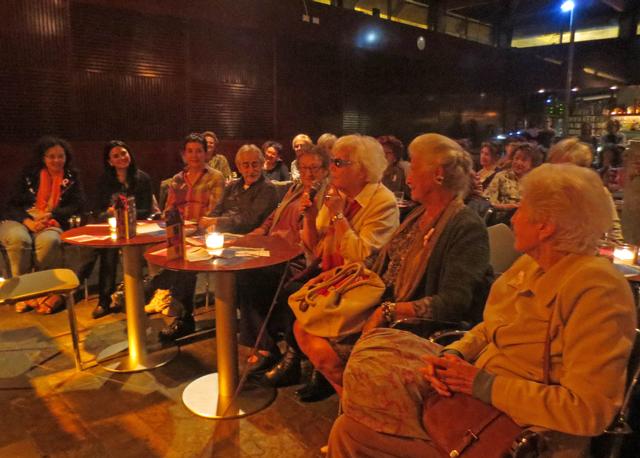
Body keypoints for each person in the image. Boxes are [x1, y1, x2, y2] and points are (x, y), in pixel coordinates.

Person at [328, 163, 636, 457]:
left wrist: (481, 384)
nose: (513, 218)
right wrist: (454, 355)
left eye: (522, 208)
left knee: (350, 433)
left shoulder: (597, 290)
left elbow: (587, 412)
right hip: (476, 403)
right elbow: (490, 327)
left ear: (545, 226)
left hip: (521, 437)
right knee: (368, 373)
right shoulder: (532, 265)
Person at [294, 133, 492, 403]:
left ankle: (364, 407)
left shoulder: (466, 226)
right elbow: (378, 260)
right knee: (303, 324)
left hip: (409, 325)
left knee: (317, 343)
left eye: (415, 168)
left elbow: (455, 302)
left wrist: (387, 311)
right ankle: (361, 406)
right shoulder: (419, 214)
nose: (407, 178)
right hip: (379, 301)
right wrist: (338, 278)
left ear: (438, 175)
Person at [261, 134, 400, 396]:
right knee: (285, 291)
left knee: (293, 293)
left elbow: (361, 257)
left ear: (363, 170)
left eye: (339, 162)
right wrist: (310, 216)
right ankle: (295, 358)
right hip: (330, 271)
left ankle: (308, 365)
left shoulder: (383, 202)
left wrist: (337, 215)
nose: (331, 167)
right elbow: (315, 248)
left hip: (356, 281)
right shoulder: (339, 194)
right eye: (333, 161)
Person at [238, 145, 330, 373]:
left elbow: (314, 240)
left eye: (314, 168)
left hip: (297, 258)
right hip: (272, 249)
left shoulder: (326, 196)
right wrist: (260, 230)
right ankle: (264, 343)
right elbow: (274, 215)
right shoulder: (295, 188)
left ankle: (265, 347)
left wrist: (281, 242)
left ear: (325, 170)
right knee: (241, 273)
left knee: (251, 278)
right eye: (304, 168)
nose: (308, 173)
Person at [147, 134, 224, 337]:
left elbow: (214, 212)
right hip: (179, 233)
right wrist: (175, 224)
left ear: (206, 153)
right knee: (155, 249)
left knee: (183, 263)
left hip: (203, 234)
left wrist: (194, 226)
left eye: (199, 151)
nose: (194, 155)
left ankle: (158, 290)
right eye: (190, 151)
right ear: (183, 154)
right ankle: (176, 309)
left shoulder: (215, 177)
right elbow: (169, 210)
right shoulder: (177, 179)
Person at [0, 136, 84, 314]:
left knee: (49, 241)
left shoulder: (71, 178)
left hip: (50, 220)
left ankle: (42, 290)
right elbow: (11, 205)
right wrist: (28, 222)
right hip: (20, 219)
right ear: (43, 158)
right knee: (19, 239)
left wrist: (53, 215)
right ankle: (21, 292)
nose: (57, 160)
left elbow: (77, 205)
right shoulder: (28, 175)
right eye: (51, 156)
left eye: (61, 156)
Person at [92, 140, 155, 318]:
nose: (121, 158)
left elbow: (147, 209)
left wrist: (126, 212)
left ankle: (141, 296)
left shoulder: (142, 178)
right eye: (116, 156)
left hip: (138, 227)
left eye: (124, 153)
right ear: (109, 161)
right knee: (108, 251)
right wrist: (110, 212)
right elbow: (97, 211)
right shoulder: (104, 181)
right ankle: (104, 301)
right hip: (113, 227)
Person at [548, 137, 623, 244]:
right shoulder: (544, 191)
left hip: (588, 250)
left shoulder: (599, 192)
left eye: (567, 167)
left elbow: (614, 232)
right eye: (555, 166)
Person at [199, 144, 279, 234]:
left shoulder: (268, 189)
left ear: (261, 164)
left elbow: (249, 222)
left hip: (247, 237)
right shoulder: (232, 186)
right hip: (219, 234)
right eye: (246, 165)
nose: (251, 170)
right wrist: (209, 223)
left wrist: (216, 222)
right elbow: (216, 211)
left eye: (255, 165)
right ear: (239, 168)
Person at [484, 143, 542, 221]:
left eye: (524, 160)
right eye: (516, 158)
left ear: (532, 164)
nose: (518, 162)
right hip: (502, 220)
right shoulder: (502, 176)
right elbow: (487, 202)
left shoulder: (535, 181)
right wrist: (508, 207)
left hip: (527, 220)